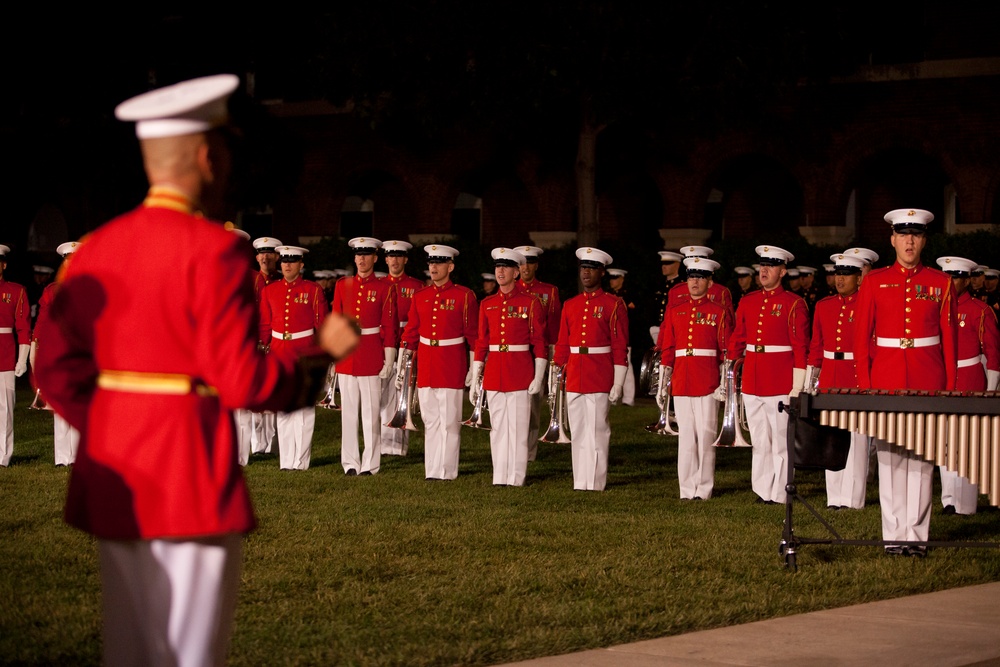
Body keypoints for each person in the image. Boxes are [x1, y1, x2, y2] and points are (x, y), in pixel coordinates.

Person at [33, 74, 360, 667]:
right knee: (189, 656)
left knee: (129, 650)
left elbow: (54, 371)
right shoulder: (215, 251)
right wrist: (321, 353)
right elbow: (244, 381)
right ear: (209, 155)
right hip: (187, 468)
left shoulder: (94, 249)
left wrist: (116, 421)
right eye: (225, 151)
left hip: (115, 472)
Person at [854, 208, 957, 557]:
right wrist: (867, 386)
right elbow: (860, 338)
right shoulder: (873, 281)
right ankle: (893, 536)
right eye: (903, 234)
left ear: (924, 240)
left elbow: (950, 344)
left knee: (921, 462)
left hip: (929, 380)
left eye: (916, 235)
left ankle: (917, 537)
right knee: (890, 460)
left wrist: (950, 390)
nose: (909, 241)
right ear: (892, 239)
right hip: (885, 379)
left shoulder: (941, 283)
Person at [727, 244, 810, 504]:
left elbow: (800, 348)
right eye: (762, 266)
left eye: (771, 266)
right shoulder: (749, 300)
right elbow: (738, 338)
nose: (764, 271)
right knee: (760, 440)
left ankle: (781, 492)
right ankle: (762, 490)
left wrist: (797, 386)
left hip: (779, 381)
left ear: (783, 271)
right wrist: (727, 372)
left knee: (781, 442)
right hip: (753, 379)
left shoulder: (794, 304)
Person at [398, 244, 479, 479]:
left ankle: (448, 470)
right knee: (430, 419)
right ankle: (432, 469)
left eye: (439, 263)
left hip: (451, 364)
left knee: (449, 421)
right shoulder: (420, 296)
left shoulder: (464, 296)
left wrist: (474, 368)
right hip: (427, 364)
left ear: (450, 266)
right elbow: (411, 332)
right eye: (431, 263)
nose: (433, 267)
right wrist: (403, 362)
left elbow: (473, 336)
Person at [553, 247, 629, 491]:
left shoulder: (613, 304)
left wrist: (618, 382)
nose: (586, 273)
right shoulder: (571, 304)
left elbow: (619, 346)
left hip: (599, 374)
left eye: (591, 269)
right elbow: (563, 343)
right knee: (578, 430)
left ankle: (595, 482)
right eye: (583, 269)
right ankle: (580, 481)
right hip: (575, 373)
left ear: (602, 272)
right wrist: (556, 373)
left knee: (597, 430)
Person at [470, 247, 547, 486]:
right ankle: (499, 476)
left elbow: (539, 342)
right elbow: (482, 342)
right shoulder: (487, 303)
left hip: (520, 372)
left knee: (518, 428)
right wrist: (475, 379)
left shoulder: (530, 302)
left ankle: (516, 476)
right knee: (498, 428)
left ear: (516, 272)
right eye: (498, 267)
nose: (500, 271)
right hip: (495, 373)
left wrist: (539, 376)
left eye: (506, 267)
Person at [657, 257, 731, 500]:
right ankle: (686, 489)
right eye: (691, 277)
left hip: (707, 379)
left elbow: (725, 352)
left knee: (706, 435)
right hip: (682, 379)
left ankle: (704, 488)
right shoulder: (676, 311)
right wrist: (663, 380)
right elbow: (669, 348)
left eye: (700, 278)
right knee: (686, 437)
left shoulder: (718, 312)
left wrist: (723, 382)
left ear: (710, 283)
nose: (694, 282)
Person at [935, 255, 1000, 515]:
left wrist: (991, 388)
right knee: (944, 443)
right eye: (948, 277)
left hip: (971, 377)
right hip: (943, 379)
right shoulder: (936, 307)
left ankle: (965, 502)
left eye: (958, 278)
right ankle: (948, 499)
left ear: (967, 281)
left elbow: (993, 354)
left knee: (968, 444)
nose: (952, 282)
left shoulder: (980, 311)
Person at [805, 252, 868, 509]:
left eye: (845, 274)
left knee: (857, 440)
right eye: (837, 274)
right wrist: (810, 381)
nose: (839, 279)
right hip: (830, 375)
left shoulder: (867, 303)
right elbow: (816, 346)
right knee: (831, 438)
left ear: (859, 278)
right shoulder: (824, 305)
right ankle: (834, 497)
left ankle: (853, 499)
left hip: (855, 375)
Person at [331, 237, 398, 476]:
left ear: (375, 258)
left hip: (371, 355)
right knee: (348, 414)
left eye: (366, 255)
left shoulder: (384, 287)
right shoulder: (343, 285)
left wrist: (389, 359)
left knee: (371, 414)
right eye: (358, 255)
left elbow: (389, 326)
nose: (361, 259)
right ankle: (350, 462)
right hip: (347, 357)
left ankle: (370, 463)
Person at [260, 245, 329, 470]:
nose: (287, 265)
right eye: (284, 261)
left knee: (305, 411)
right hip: (279, 352)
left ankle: (301, 461)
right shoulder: (270, 291)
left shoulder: (313, 290)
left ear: (301, 264)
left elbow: (322, 326)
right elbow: (265, 325)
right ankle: (286, 460)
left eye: (292, 261)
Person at [32, 240, 83, 467]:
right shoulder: (51, 291)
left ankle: (78, 454)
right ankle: (63, 456)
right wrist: (36, 345)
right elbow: (42, 322)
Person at [379, 240, 425, 457]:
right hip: (383, 344)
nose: (395, 260)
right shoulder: (379, 284)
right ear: (385, 259)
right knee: (382, 395)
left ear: (405, 259)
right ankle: (383, 443)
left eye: (399, 256)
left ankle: (398, 446)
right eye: (391, 256)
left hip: (407, 345)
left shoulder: (416, 286)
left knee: (402, 394)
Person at [516, 245, 562, 457]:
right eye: (522, 263)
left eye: (530, 263)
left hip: (540, 353)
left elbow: (554, 326)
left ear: (536, 265)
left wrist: (554, 358)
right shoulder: (510, 288)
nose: (526, 267)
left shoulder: (548, 291)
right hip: (516, 353)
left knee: (534, 403)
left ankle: (530, 450)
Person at [249, 235, 283, 456]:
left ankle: (270, 442)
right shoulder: (250, 279)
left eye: (269, 253)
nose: (265, 257)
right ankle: (255, 442)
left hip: (277, 342)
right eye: (261, 254)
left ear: (277, 256)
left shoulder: (282, 280)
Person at [0, 244, 30, 467]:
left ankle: (3, 457)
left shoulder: (15, 291)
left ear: (3, 264)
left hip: (5, 357)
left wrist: (22, 359)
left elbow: (23, 328)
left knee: (5, 411)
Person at [606, 267, 636, 406]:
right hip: (609, 336)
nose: (613, 281)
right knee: (610, 366)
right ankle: (613, 395)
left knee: (626, 365)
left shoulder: (628, 295)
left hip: (624, 335)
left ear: (622, 279)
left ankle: (628, 398)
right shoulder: (608, 295)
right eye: (611, 278)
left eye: (615, 278)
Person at [649, 250, 684, 345]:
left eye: (668, 263)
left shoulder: (682, 286)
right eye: (663, 263)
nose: (664, 266)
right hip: (656, 329)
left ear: (677, 264)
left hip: (674, 329)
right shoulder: (658, 285)